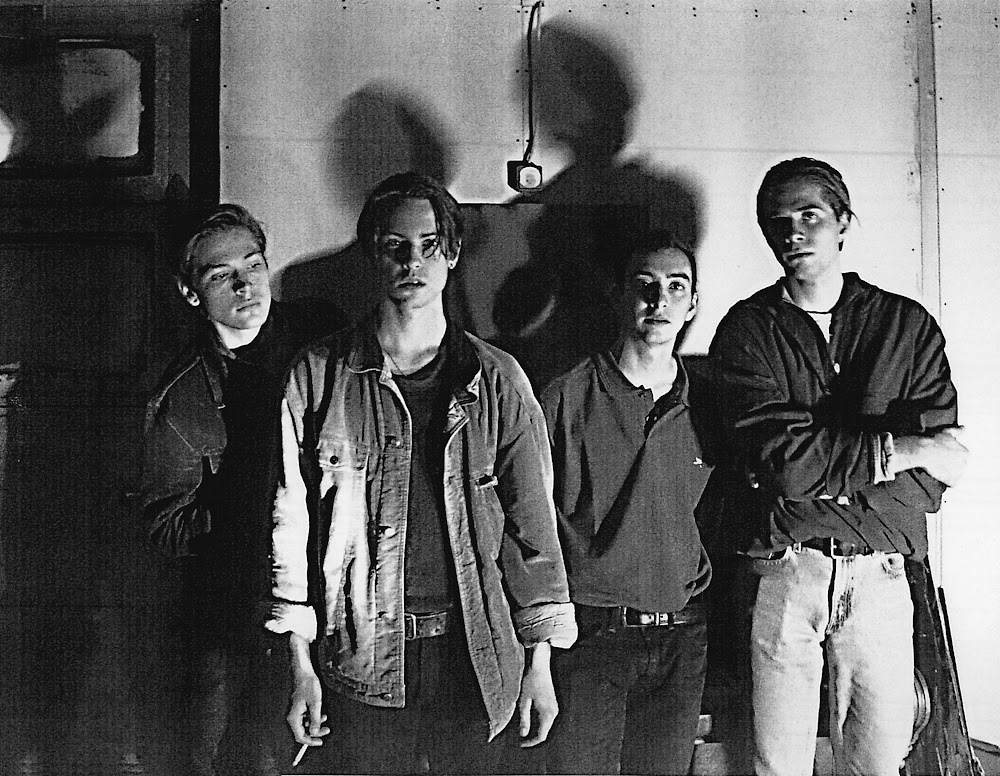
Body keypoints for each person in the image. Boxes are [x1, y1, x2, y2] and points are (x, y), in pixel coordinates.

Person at [267, 172, 577, 774]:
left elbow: (534, 532)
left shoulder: (498, 380)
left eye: (429, 245)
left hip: (476, 657)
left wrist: (540, 663)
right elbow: (290, 525)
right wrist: (298, 665)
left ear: (452, 254)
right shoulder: (318, 376)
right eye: (395, 246)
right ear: (372, 254)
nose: (413, 261)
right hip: (362, 657)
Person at [710, 157, 968, 776]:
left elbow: (932, 481)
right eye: (778, 222)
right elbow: (781, 463)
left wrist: (819, 474)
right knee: (779, 764)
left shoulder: (906, 325)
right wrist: (896, 452)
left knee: (878, 761)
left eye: (809, 215)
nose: (793, 232)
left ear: (844, 222)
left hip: (882, 572)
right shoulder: (747, 330)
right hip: (784, 571)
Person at [141, 204, 348, 776]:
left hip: (344, 591)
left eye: (254, 265)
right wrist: (257, 506)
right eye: (221, 275)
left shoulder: (323, 336)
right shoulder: (182, 397)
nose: (245, 285)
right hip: (237, 615)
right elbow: (166, 525)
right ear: (190, 292)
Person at [540, 232, 713, 775]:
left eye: (676, 287)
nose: (660, 300)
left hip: (682, 636)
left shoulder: (710, 404)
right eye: (645, 285)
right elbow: (526, 526)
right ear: (620, 295)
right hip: (592, 637)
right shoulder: (566, 395)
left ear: (692, 304)